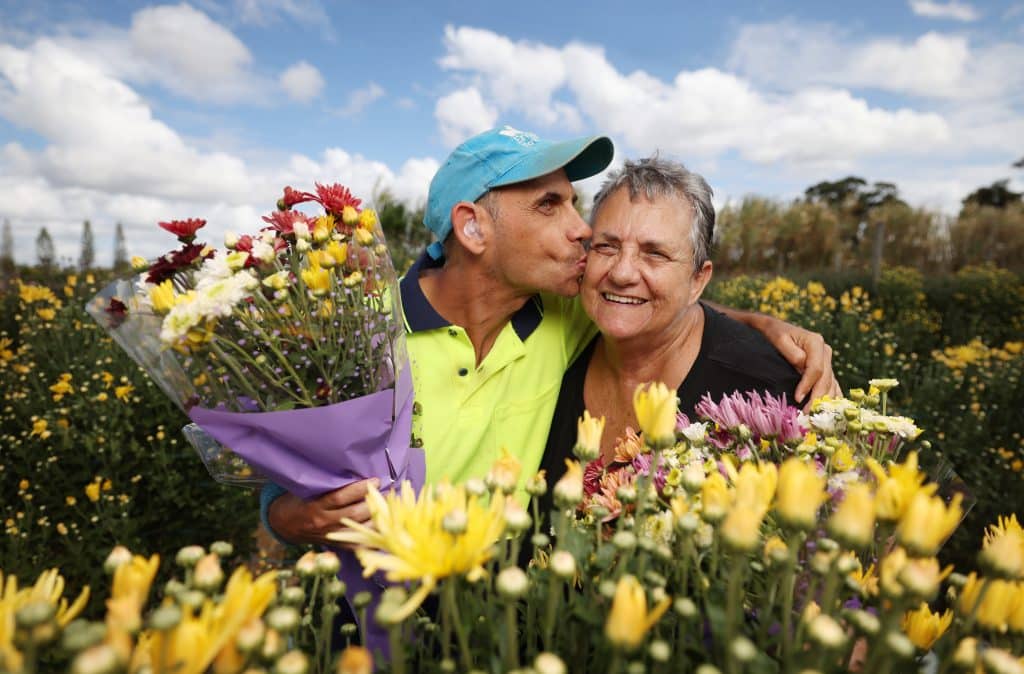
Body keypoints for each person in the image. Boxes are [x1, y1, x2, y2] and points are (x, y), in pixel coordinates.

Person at [261, 128, 838, 548]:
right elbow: (290, 486)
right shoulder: (361, 336)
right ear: (472, 227)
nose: (583, 231)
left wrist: (766, 327)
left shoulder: (565, 318)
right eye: (549, 205)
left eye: (576, 203)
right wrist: (287, 520)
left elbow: (656, 302)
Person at [540, 156, 803, 484]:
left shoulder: (766, 391)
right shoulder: (552, 344)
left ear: (697, 281)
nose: (622, 273)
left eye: (655, 254)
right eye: (606, 247)